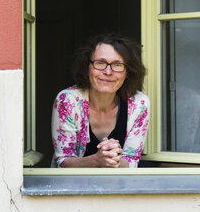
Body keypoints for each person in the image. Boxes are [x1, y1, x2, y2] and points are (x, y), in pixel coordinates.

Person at [50, 34, 149, 168]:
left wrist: (112, 160)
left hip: (119, 187)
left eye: (117, 65)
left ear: (128, 72)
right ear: (87, 67)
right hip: (72, 186)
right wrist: (97, 160)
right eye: (100, 63)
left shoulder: (139, 103)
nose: (108, 72)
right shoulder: (67, 100)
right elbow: (63, 161)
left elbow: (131, 160)